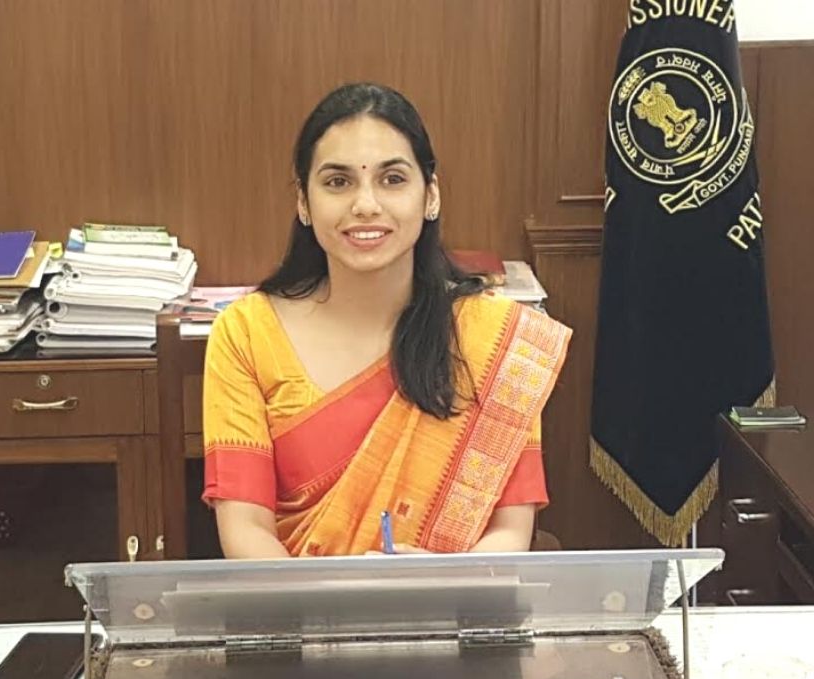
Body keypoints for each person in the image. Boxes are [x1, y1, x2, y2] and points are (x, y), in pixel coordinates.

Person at [201, 83, 572, 558]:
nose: (366, 205)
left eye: (392, 179)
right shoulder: (246, 333)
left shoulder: (495, 342)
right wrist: (332, 596)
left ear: (430, 195)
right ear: (304, 203)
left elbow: (509, 534)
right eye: (338, 182)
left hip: (454, 600)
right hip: (292, 601)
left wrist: (436, 585)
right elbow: (246, 531)